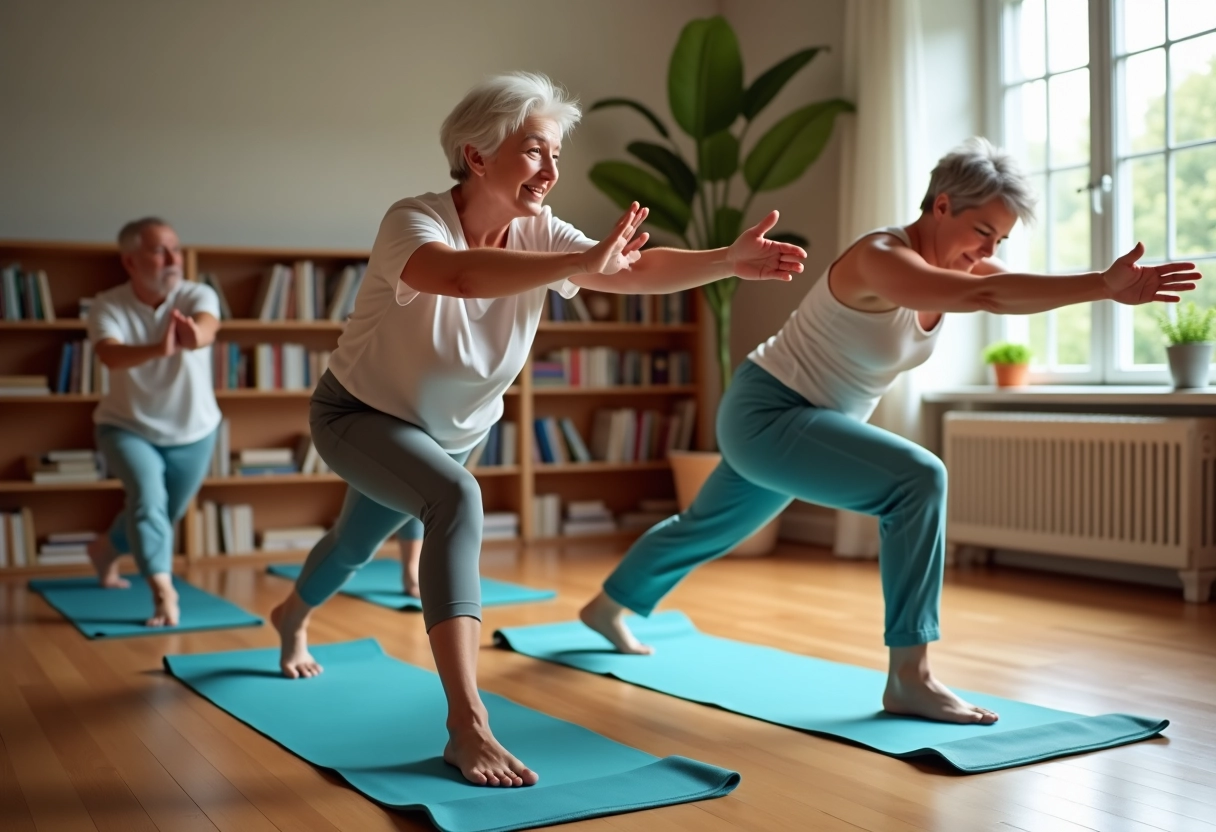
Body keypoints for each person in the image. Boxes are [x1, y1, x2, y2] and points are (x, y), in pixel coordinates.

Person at [267, 71, 807, 788]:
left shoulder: (544, 233)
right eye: (532, 152)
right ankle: (468, 724)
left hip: (454, 430)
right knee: (448, 504)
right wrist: (579, 262)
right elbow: (457, 276)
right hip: (359, 415)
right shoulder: (413, 219)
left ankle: (288, 613)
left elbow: (630, 268)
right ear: (477, 155)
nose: (551, 171)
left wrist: (726, 261)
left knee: (354, 542)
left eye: (555, 155)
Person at [579, 137, 1201, 726]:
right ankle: (912, 674)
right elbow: (985, 294)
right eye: (981, 232)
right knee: (918, 479)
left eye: (1000, 239)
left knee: (708, 527)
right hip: (769, 411)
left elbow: (995, 287)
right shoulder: (880, 257)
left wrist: (1077, 284)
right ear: (941, 204)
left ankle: (606, 607)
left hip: (807, 422)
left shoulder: (966, 268)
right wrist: (1102, 286)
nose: (986, 251)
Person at [86, 217, 221, 627]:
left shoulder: (197, 293)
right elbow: (109, 355)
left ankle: (107, 548)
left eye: (175, 249)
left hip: (194, 430)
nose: (172, 259)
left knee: (163, 513)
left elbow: (207, 330)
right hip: (126, 427)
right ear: (130, 261)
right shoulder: (107, 305)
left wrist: (192, 336)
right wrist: (158, 349)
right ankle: (164, 593)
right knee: (148, 501)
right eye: (159, 250)